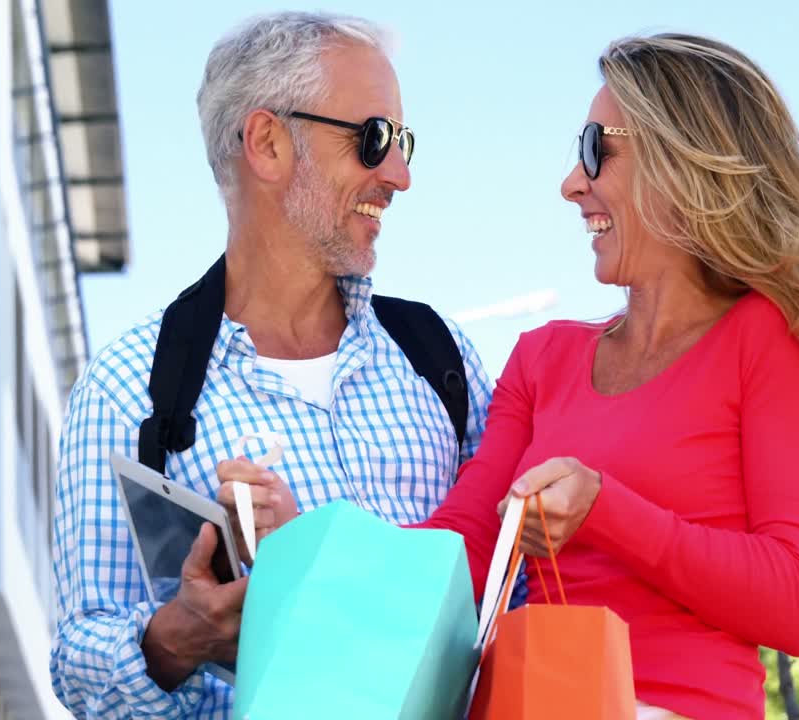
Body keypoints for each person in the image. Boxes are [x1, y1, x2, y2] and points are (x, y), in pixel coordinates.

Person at [239, 33, 799, 719]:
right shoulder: (544, 358)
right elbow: (463, 551)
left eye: (595, 151)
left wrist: (607, 510)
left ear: (680, 160)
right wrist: (309, 542)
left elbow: (796, 604)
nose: (572, 184)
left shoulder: (776, 341)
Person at [48, 12, 492, 720]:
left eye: (403, 142)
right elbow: (79, 659)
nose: (400, 176)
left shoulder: (444, 362)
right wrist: (176, 637)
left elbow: (516, 586)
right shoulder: (128, 388)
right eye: (374, 140)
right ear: (267, 142)